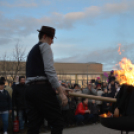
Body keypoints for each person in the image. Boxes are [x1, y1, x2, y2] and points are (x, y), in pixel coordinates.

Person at [25, 26, 68, 134]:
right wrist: (61, 92)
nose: (52, 42)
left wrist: (59, 87)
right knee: (57, 122)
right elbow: (49, 71)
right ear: (45, 36)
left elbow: (39, 74)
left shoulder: (33, 50)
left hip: (30, 90)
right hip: (41, 89)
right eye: (51, 38)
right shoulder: (45, 46)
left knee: (34, 125)